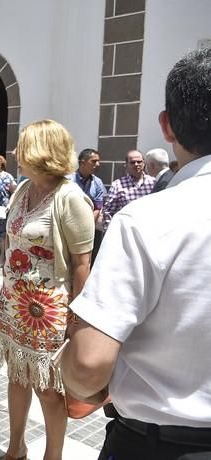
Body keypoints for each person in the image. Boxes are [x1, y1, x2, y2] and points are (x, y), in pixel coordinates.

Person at [61, 48, 211, 460]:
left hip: (162, 444)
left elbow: (88, 365)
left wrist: (70, 365)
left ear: (166, 126)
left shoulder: (149, 218)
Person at [0, 119, 93, 460]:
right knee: (17, 377)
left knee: (48, 390)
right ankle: (15, 448)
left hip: (49, 310)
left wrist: (77, 319)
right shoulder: (23, 189)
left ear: (39, 151)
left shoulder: (70, 198)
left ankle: (53, 456)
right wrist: (5, 287)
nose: (15, 151)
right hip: (15, 303)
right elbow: (13, 243)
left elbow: (82, 264)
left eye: (22, 144)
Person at [101, 149, 154, 231]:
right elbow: (108, 211)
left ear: (144, 163)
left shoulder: (153, 183)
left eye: (139, 162)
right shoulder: (117, 185)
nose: (136, 164)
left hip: (148, 230)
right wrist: (110, 232)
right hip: (126, 231)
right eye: (132, 162)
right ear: (126, 165)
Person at [69, 148, 106, 263]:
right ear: (82, 162)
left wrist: (86, 226)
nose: (98, 164)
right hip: (69, 225)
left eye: (98, 161)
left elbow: (98, 207)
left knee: (88, 260)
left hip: (90, 227)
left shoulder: (98, 182)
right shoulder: (68, 181)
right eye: (94, 161)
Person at [0, 155, 17, 268]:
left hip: (2, 209)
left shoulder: (7, 177)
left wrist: (10, 205)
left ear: (0, 165)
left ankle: (3, 256)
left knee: (2, 234)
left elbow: (15, 192)